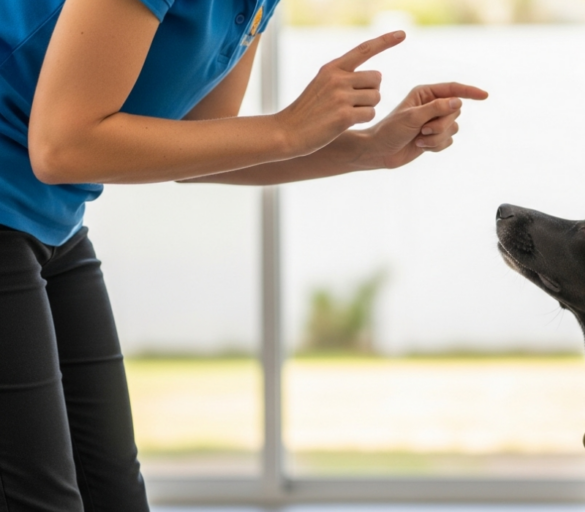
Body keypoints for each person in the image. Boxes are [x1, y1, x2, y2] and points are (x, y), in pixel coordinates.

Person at [0, 0, 488, 509]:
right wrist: (288, 127)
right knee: (39, 497)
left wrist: (369, 149)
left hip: (51, 217)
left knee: (114, 493)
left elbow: (206, 144)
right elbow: (61, 147)